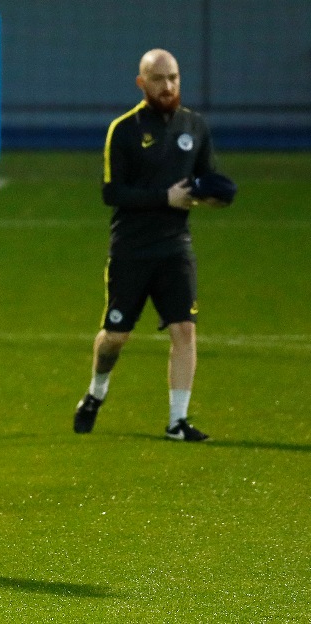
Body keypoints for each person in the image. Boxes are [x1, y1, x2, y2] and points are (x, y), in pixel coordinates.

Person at [74, 48, 230, 441]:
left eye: (174, 77)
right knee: (116, 337)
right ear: (141, 83)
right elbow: (112, 193)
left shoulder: (195, 127)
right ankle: (96, 393)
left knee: (185, 331)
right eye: (158, 79)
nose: (168, 86)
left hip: (175, 248)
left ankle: (177, 421)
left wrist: (211, 196)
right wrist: (166, 198)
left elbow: (207, 180)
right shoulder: (123, 129)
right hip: (131, 249)